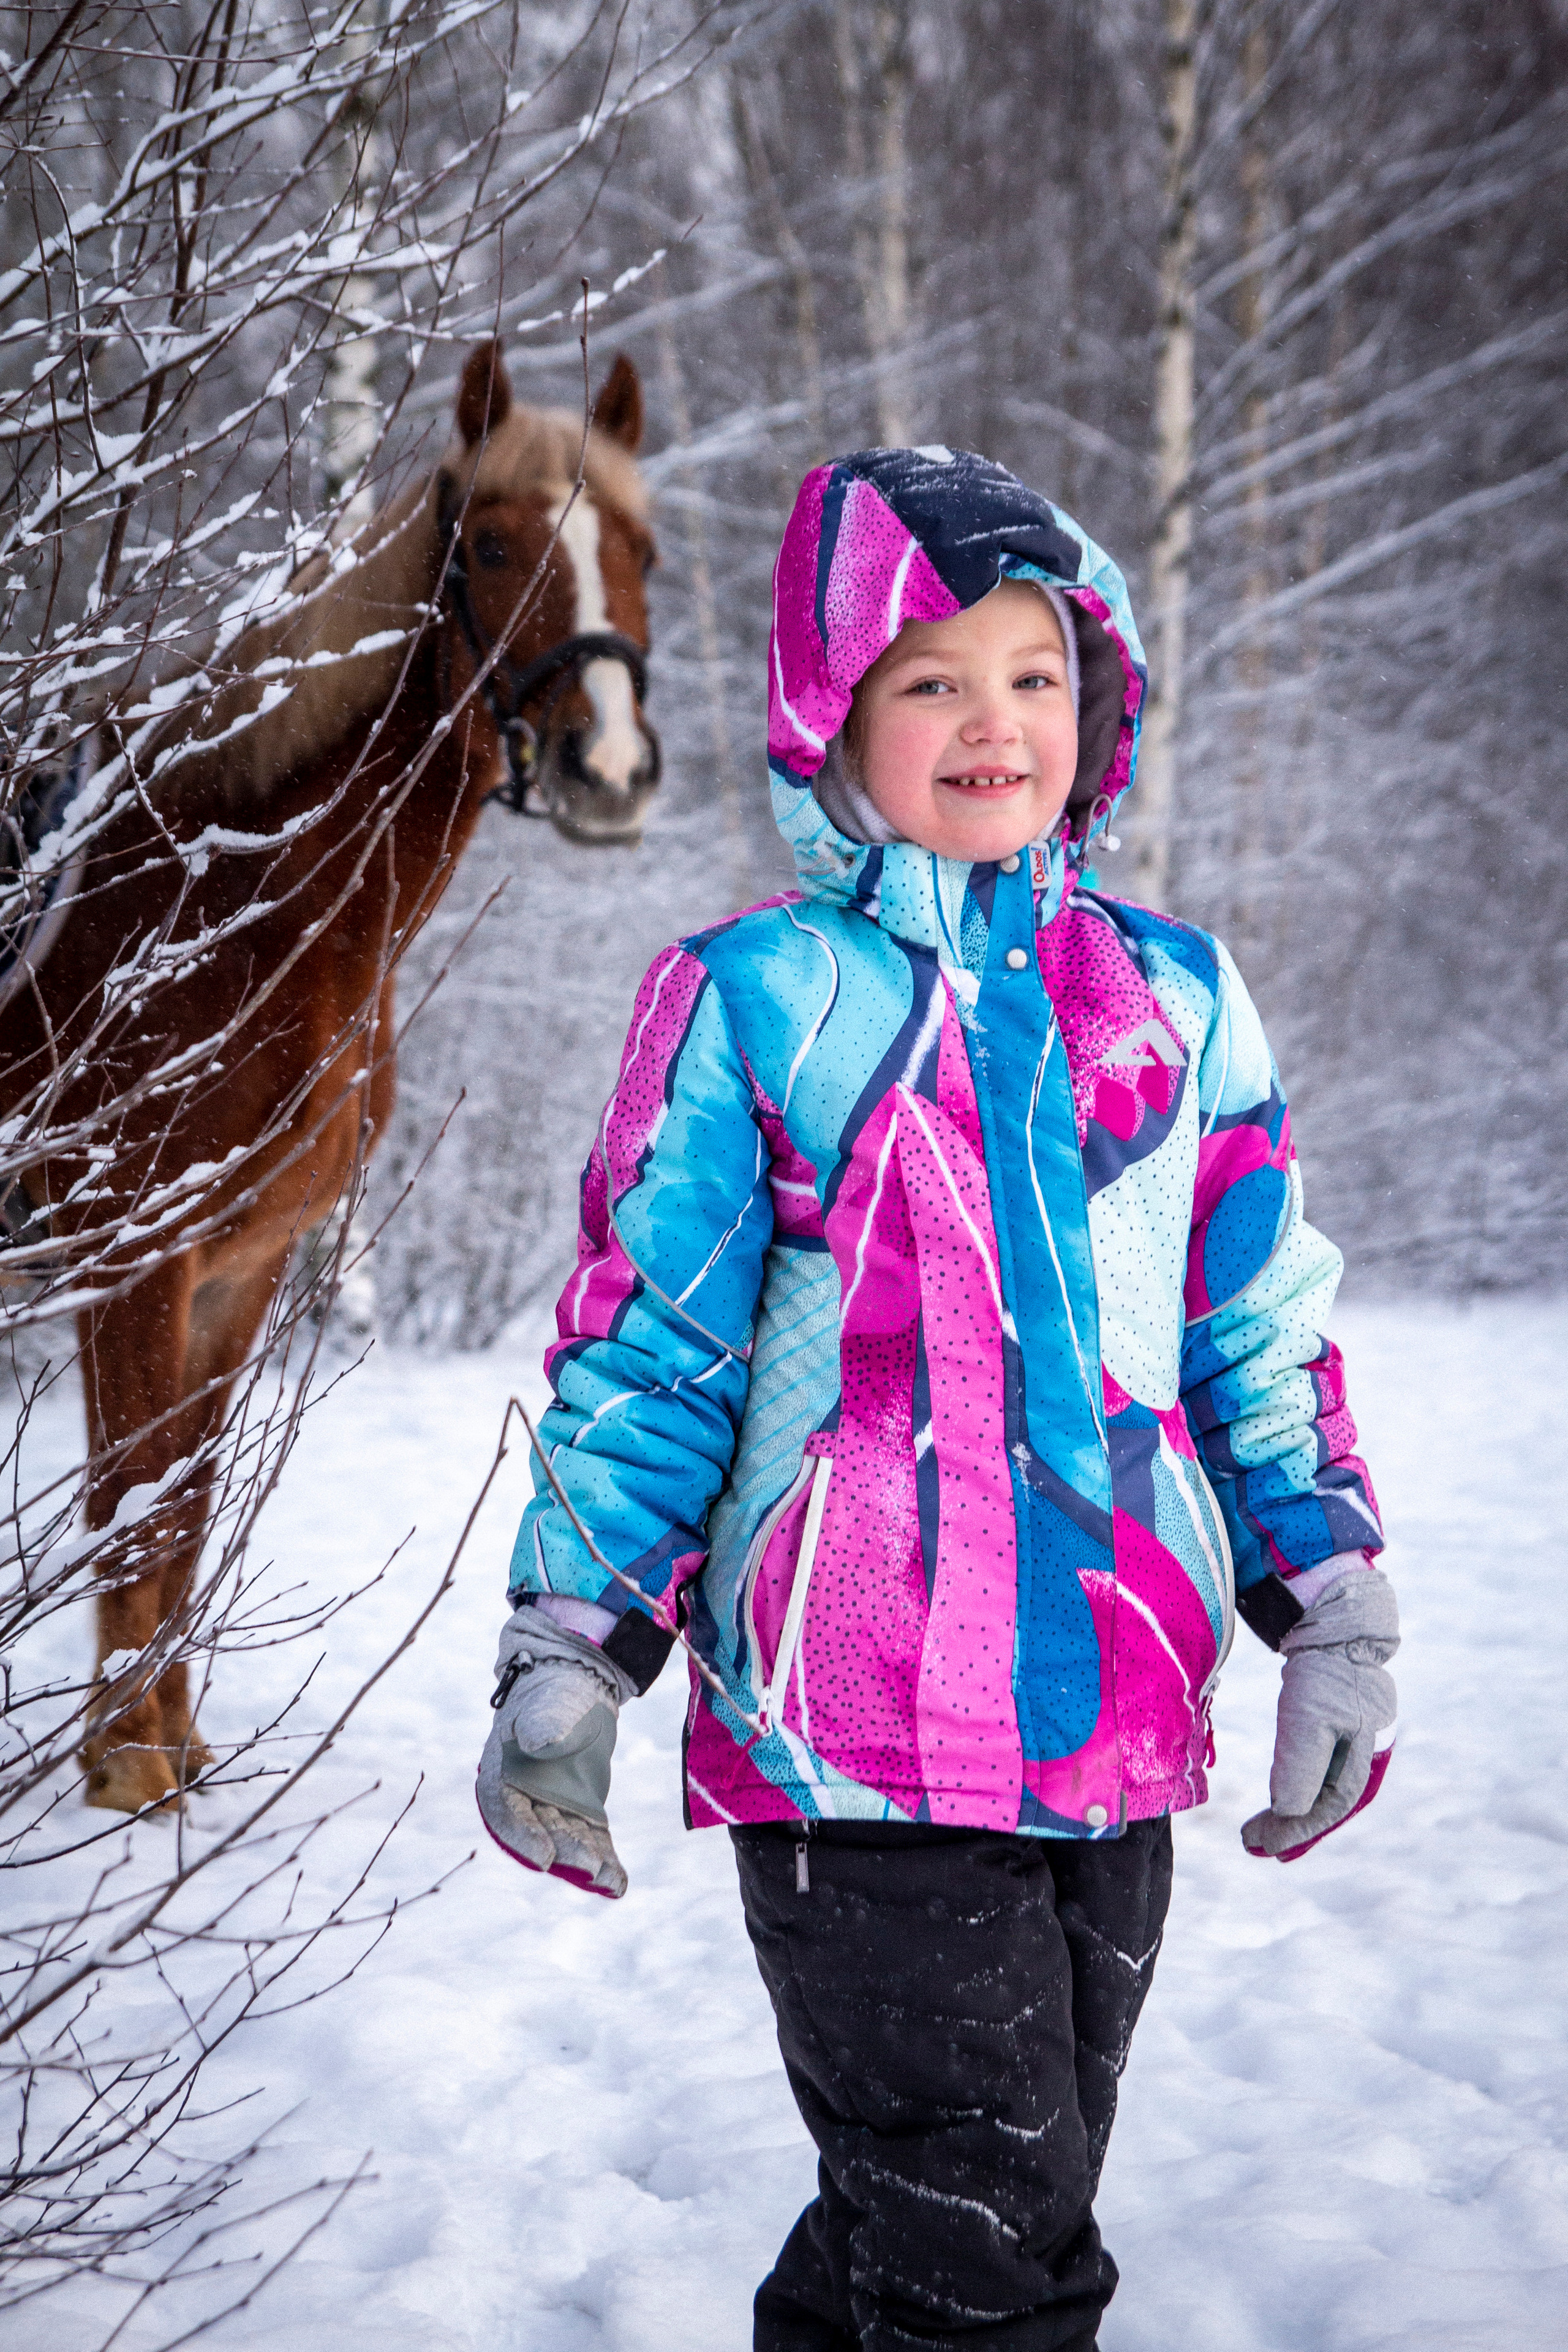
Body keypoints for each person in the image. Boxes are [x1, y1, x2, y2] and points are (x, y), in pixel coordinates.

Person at [477, 448, 1400, 2351]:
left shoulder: (1173, 1000)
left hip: (1116, 1720)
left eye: (1036, 675)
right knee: (990, 2257)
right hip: (853, 1732)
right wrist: (569, 1650)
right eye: (933, 679)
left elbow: (1256, 1333)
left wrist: (1335, 1611)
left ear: (1099, 694)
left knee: (948, 2226)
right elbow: (655, 1351)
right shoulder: (755, 998)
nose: (997, 722)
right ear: (831, 714)